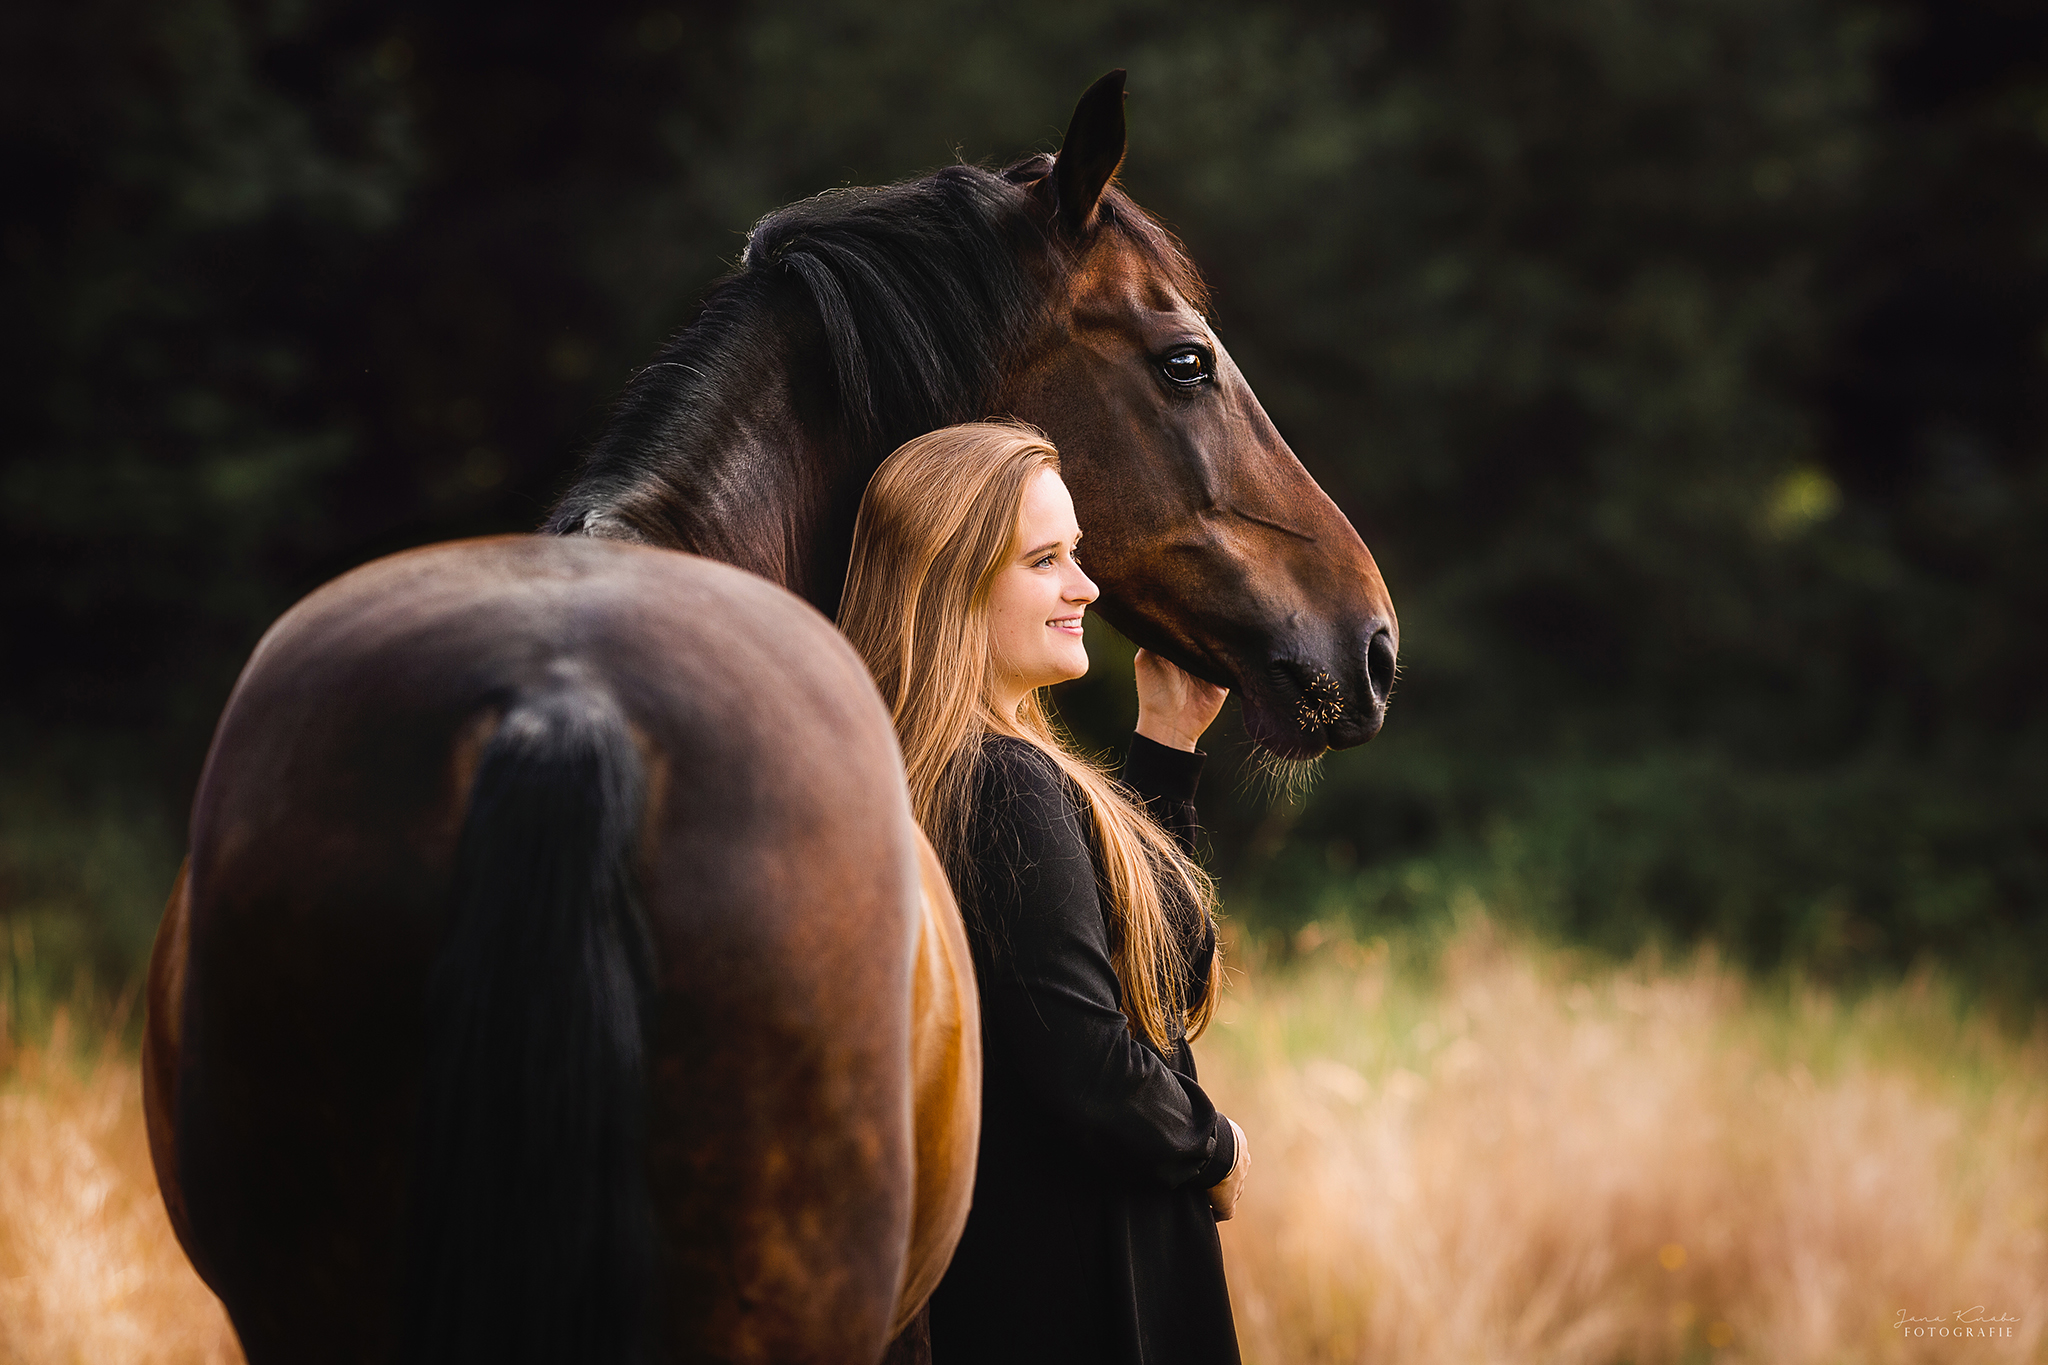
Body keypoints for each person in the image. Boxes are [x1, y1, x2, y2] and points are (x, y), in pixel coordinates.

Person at [838, 421, 1248, 1365]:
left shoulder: (950, 773)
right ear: (952, 581)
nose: (1086, 587)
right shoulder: (999, 781)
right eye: (1046, 560)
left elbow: (1154, 978)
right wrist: (1214, 1145)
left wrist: (1168, 742)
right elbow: (1092, 1064)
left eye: (1077, 553)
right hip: (1086, 1296)